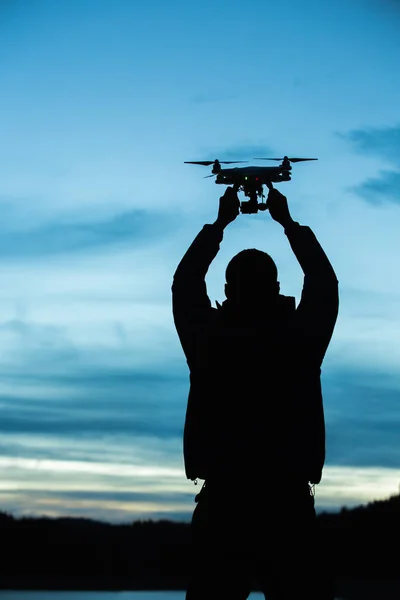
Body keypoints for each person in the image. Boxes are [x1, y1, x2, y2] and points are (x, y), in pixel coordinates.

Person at [172, 186, 339, 599]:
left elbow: (185, 283)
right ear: (277, 287)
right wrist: (288, 224)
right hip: (288, 509)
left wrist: (220, 224)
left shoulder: (208, 340)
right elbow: (323, 282)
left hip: (224, 507)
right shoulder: (300, 339)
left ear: (228, 291)